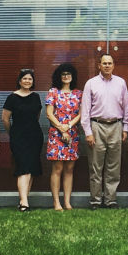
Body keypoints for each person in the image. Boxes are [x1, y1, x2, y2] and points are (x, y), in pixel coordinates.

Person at [81, 54, 128, 209]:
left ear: (113, 65)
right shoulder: (91, 84)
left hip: (116, 126)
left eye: (110, 63)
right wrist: (88, 132)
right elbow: (85, 109)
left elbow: (126, 107)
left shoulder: (121, 83)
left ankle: (110, 200)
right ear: (99, 65)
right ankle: (96, 200)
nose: (107, 66)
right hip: (97, 126)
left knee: (114, 166)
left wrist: (125, 127)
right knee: (96, 166)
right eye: (104, 63)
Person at [2, 68, 44, 212]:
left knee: (31, 167)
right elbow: (5, 119)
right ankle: (24, 201)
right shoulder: (12, 97)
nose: (27, 81)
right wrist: (12, 133)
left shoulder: (36, 96)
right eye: (24, 78)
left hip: (34, 135)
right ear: (19, 81)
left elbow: (37, 115)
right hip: (18, 136)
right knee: (23, 167)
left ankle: (23, 200)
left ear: (33, 82)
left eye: (30, 79)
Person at [45, 63, 82, 211]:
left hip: (72, 133)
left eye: (68, 74)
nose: (66, 76)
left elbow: (81, 113)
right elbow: (49, 113)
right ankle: (56, 202)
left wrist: (69, 126)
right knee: (57, 167)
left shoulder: (78, 93)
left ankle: (67, 202)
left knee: (70, 168)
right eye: (63, 74)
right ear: (59, 77)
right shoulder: (53, 92)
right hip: (56, 133)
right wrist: (62, 128)